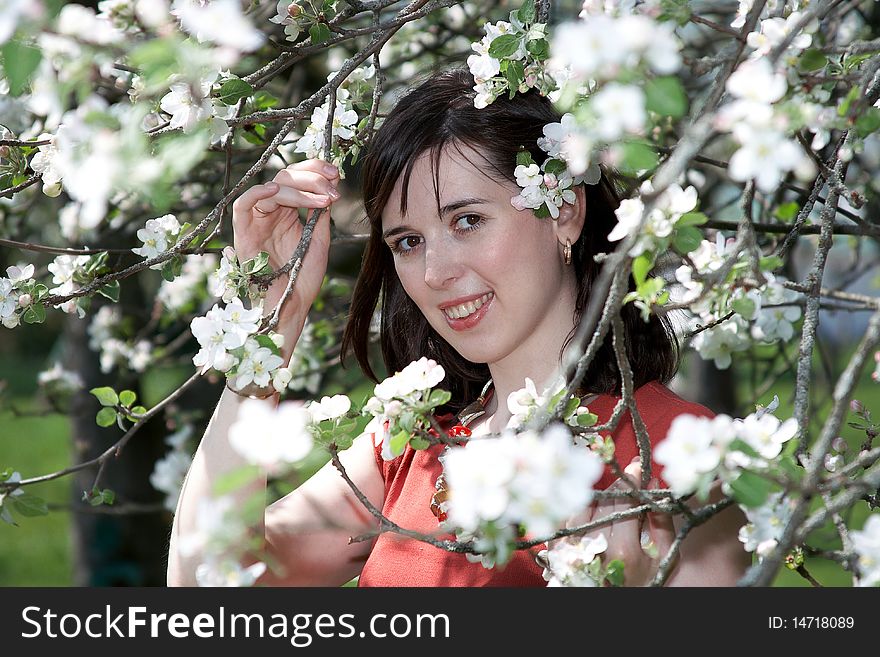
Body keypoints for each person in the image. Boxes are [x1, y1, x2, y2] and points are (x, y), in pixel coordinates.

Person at [167, 68, 750, 587]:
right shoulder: (415, 442)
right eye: (408, 242)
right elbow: (210, 584)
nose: (436, 272)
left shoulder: (683, 456)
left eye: (468, 221)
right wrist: (272, 325)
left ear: (563, 209)